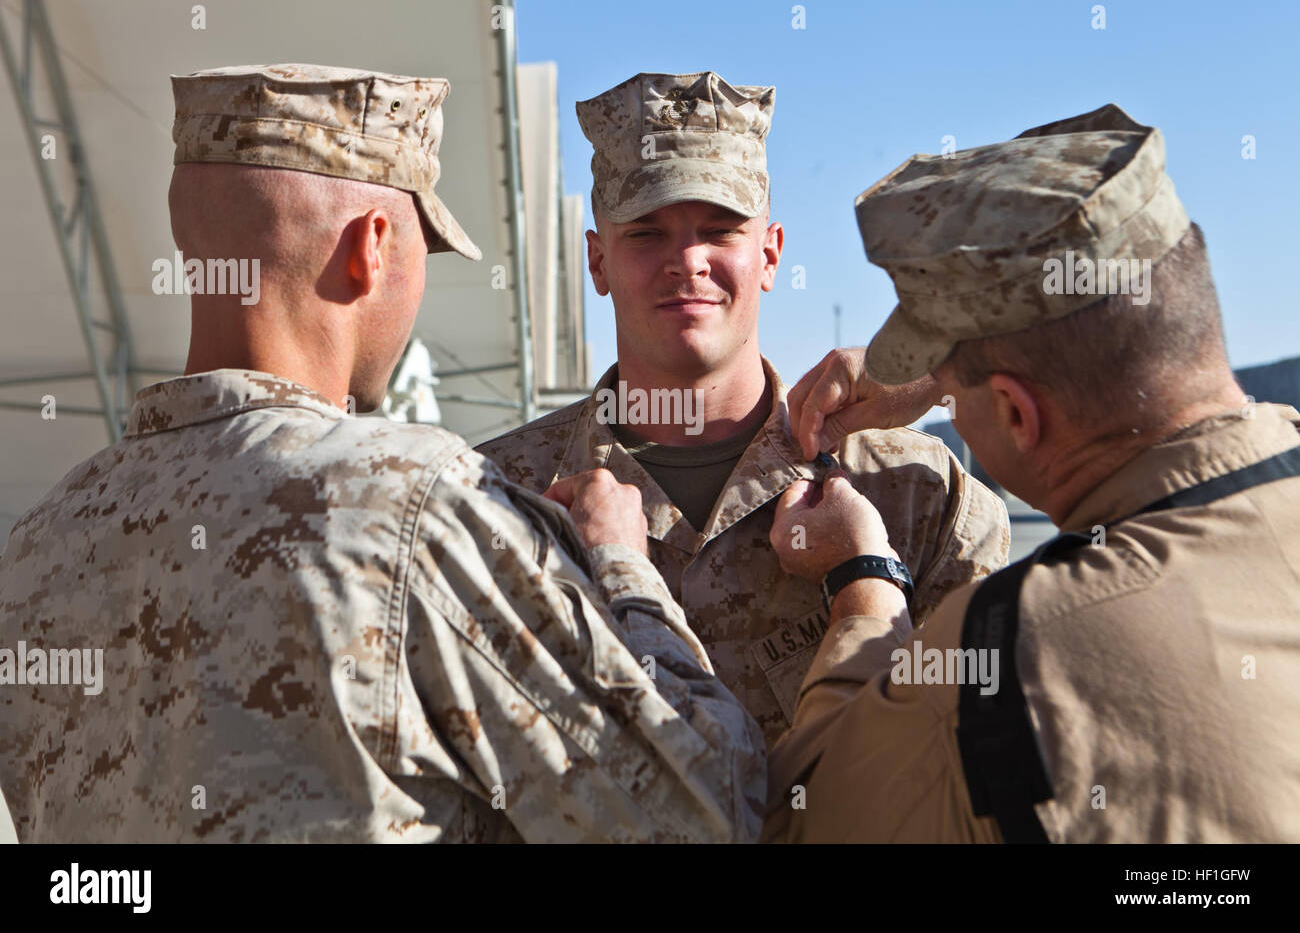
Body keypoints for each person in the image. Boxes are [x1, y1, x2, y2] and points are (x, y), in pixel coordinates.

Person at [0, 64, 764, 843]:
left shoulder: (39, 544)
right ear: (370, 247)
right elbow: (702, 812)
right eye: (422, 249)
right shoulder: (415, 500)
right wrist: (625, 571)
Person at [762, 104, 1300, 842]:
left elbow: (810, 818)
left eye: (954, 385)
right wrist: (958, 375)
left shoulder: (1010, 649)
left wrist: (864, 583)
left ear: (1018, 415)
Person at [477, 71, 1009, 746]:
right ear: (598, 261)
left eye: (721, 230)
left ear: (770, 254)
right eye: (645, 233)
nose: (688, 260)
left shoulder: (917, 494)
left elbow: (970, 767)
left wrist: (941, 370)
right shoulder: (498, 498)